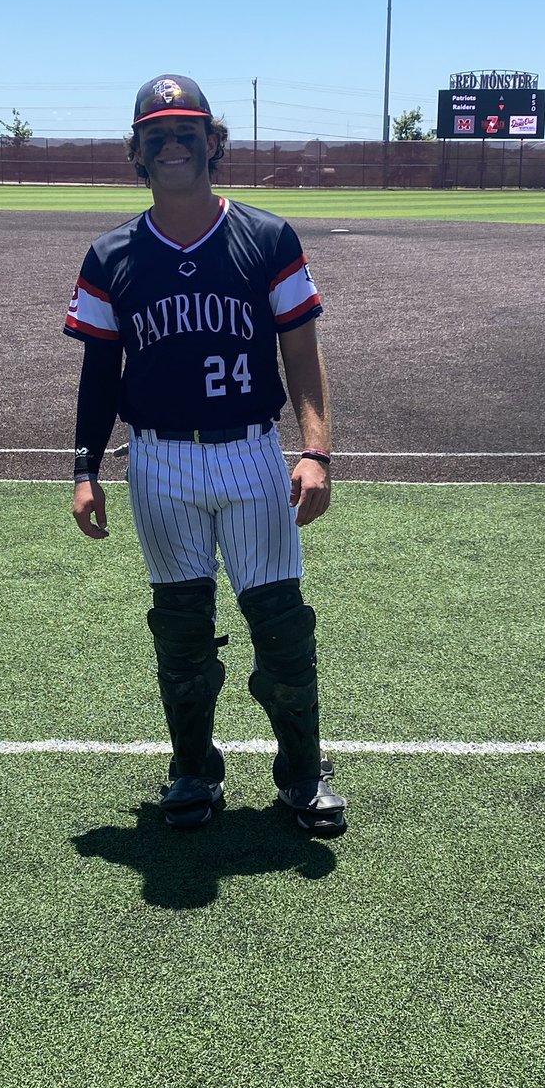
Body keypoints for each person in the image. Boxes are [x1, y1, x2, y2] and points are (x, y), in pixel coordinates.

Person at [64, 74, 346, 835]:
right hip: (158, 461)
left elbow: (302, 355)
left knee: (281, 623)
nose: (173, 145)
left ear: (213, 143)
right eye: (157, 135)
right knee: (182, 630)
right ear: (138, 152)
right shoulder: (111, 254)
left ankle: (300, 775)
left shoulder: (267, 237)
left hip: (252, 453)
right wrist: (85, 469)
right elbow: (99, 373)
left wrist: (316, 449)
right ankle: (193, 772)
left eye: (188, 131)